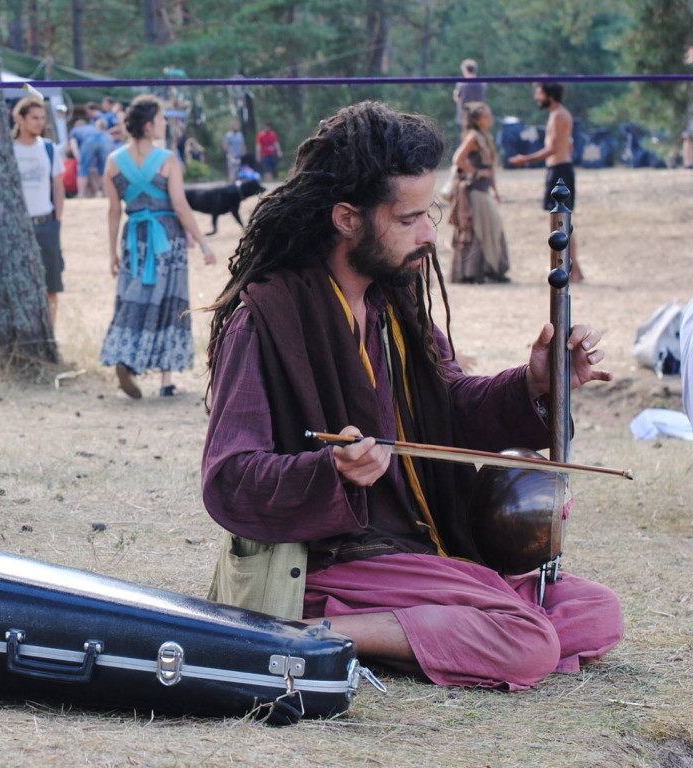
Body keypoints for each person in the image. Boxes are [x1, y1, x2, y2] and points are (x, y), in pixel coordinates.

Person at [201, 101, 622, 690]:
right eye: (409, 218)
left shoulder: (394, 305)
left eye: (431, 213)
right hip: (334, 562)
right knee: (527, 642)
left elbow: (451, 409)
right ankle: (303, 634)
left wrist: (534, 383)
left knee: (596, 611)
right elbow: (229, 478)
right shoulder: (265, 319)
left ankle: (439, 623)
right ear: (347, 219)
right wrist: (331, 471)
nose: (429, 234)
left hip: (416, 547)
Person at [101, 95, 215, 399]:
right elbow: (180, 205)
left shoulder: (113, 161)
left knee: (132, 298)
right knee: (170, 301)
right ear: (149, 126)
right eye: (162, 118)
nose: (165, 123)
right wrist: (203, 242)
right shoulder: (167, 159)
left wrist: (112, 252)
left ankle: (127, 360)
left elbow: (114, 210)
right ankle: (166, 380)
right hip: (167, 239)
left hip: (134, 239)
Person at [509, 82, 583, 282]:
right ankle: (573, 269)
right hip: (559, 168)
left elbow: (553, 149)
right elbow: (567, 146)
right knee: (561, 222)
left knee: (561, 222)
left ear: (549, 95)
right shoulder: (558, 114)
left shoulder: (559, 115)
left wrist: (525, 159)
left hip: (560, 170)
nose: (537, 98)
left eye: (539, 93)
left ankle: (573, 270)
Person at [11, 95, 66, 330]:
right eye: (34, 118)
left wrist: (57, 220)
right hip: (17, 226)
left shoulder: (48, 148)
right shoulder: (9, 149)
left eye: (42, 118)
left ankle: (49, 333)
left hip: (45, 223)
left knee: (51, 284)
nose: (39, 123)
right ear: (20, 119)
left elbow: (58, 185)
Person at [449, 102, 509, 284]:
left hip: (483, 191)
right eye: (486, 115)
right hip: (475, 192)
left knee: (491, 228)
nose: (490, 118)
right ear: (476, 120)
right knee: (479, 230)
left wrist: (495, 191)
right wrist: (477, 172)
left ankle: (488, 270)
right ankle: (472, 272)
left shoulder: (485, 137)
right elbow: (457, 159)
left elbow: (490, 169)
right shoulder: (473, 137)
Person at [70, 113, 110, 198]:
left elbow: (74, 146)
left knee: (83, 169)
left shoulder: (74, 130)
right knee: (103, 169)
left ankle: (81, 194)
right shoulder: (92, 127)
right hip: (103, 140)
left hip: (89, 141)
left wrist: (79, 158)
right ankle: (105, 193)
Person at [453, 59, 486, 138]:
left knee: (464, 139)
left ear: (465, 70)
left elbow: (457, 98)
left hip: (464, 118)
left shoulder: (461, 84)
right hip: (479, 118)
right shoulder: (482, 84)